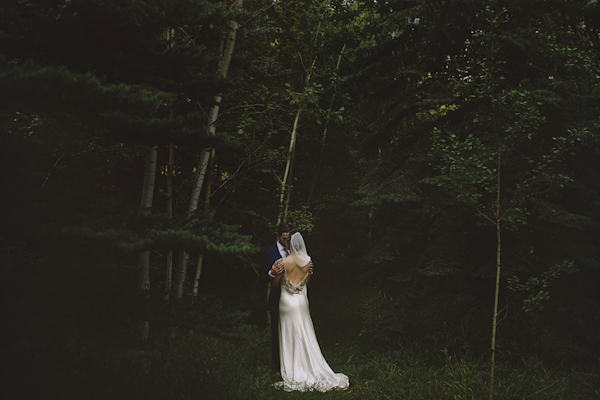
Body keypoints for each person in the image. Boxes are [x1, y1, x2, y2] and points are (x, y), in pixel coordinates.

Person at [272, 232, 349, 392]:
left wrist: (275, 274)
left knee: (289, 334)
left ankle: (293, 368)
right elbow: (306, 282)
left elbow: (274, 285)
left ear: (289, 245)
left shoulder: (282, 262)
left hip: (286, 302)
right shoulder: (308, 262)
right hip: (301, 302)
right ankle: (310, 363)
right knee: (305, 333)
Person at [259, 222, 293, 371]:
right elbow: (261, 276)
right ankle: (277, 366)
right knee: (277, 332)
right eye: (284, 238)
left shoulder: (295, 251)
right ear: (278, 236)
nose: (287, 241)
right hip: (277, 297)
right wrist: (271, 273)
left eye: (288, 238)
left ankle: (292, 362)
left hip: (292, 298)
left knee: (292, 330)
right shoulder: (269, 253)